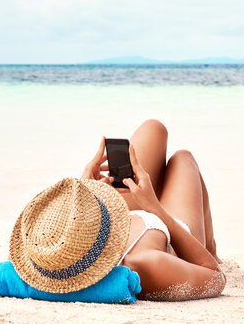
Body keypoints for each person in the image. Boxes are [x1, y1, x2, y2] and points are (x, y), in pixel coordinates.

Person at [80, 119, 226, 300]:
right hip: (175, 233)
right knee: (182, 158)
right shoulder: (147, 263)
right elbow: (215, 278)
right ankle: (210, 248)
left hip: (118, 217)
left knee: (154, 128)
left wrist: (87, 194)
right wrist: (154, 207)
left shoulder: (58, 247)